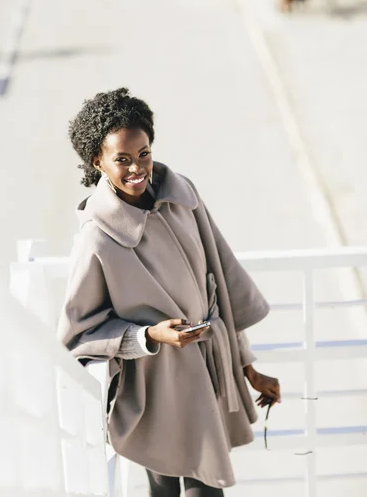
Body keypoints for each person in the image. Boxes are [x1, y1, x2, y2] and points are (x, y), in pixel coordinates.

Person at [57, 88, 281, 496]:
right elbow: (77, 332)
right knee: (166, 489)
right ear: (98, 162)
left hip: (207, 371)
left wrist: (247, 366)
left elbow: (221, 286)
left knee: (205, 485)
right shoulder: (97, 239)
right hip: (154, 384)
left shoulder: (183, 196)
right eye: (121, 159)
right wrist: (148, 336)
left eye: (143, 153)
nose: (137, 168)